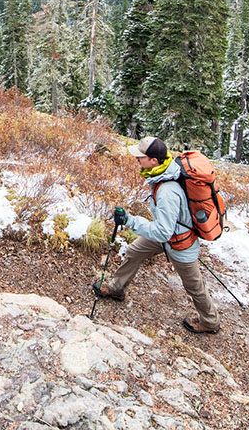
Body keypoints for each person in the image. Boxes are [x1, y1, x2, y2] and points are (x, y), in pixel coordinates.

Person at [91, 136, 221, 334]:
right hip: (167, 234)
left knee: (194, 285)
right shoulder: (163, 172)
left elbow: (162, 231)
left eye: (140, 157)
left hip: (179, 242)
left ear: (153, 160)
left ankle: (210, 321)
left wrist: (129, 220)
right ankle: (117, 288)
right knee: (135, 251)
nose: (137, 160)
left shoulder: (167, 190)